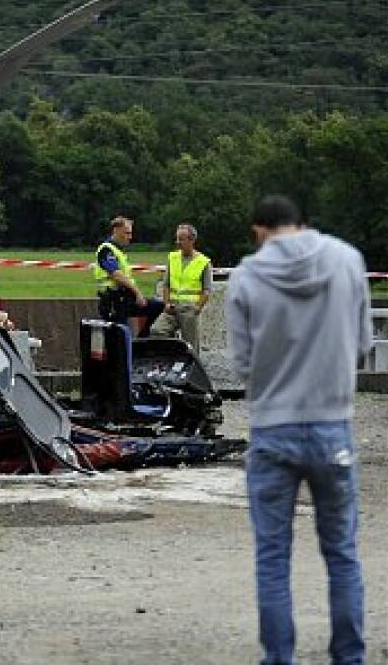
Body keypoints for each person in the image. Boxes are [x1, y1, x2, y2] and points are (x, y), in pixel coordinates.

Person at [227, 194, 371, 665]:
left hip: (272, 429)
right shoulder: (348, 261)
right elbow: (363, 346)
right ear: (302, 223)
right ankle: (349, 657)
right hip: (333, 427)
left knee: (273, 557)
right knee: (342, 552)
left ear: (258, 230)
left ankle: (279, 658)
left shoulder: (245, 277)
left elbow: (243, 364)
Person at [92, 215, 164, 337]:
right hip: (113, 301)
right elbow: (117, 275)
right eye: (127, 233)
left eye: (130, 233)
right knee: (121, 338)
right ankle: (131, 345)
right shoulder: (106, 250)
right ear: (116, 230)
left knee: (158, 306)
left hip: (125, 299)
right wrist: (137, 293)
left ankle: (141, 340)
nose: (130, 237)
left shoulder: (118, 251)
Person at [151, 223, 212, 352]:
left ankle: (193, 363)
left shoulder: (203, 262)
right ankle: (171, 356)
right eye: (177, 238)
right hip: (172, 308)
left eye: (181, 239)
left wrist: (197, 308)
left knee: (191, 345)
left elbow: (206, 290)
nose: (177, 242)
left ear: (192, 240)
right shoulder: (172, 257)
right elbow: (166, 284)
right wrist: (166, 303)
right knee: (157, 330)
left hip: (189, 309)